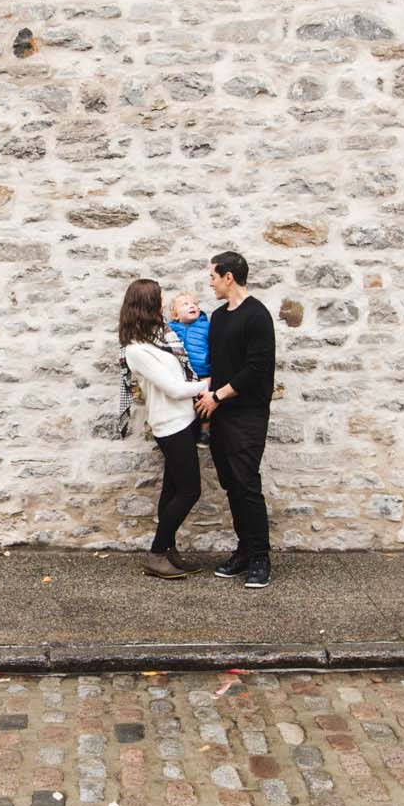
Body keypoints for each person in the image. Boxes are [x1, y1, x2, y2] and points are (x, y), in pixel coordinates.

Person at [116, 278, 210, 579]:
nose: (161, 304)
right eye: (158, 300)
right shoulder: (137, 350)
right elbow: (172, 387)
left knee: (172, 489)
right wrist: (205, 386)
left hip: (187, 420)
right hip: (170, 425)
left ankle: (168, 550)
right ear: (146, 306)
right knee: (189, 490)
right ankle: (157, 553)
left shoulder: (161, 336)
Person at [195, 251, 276, 589]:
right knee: (231, 484)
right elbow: (217, 364)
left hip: (247, 414)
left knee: (247, 484)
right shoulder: (218, 317)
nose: (210, 282)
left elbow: (255, 369)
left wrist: (218, 396)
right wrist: (205, 393)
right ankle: (244, 550)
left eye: (213, 276)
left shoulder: (257, 316)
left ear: (229, 277)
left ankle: (261, 558)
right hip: (221, 415)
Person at [167, 292, 211, 379]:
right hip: (179, 374)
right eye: (185, 304)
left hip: (203, 374)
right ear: (176, 315)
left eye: (194, 303)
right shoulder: (170, 329)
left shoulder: (206, 327)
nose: (192, 306)